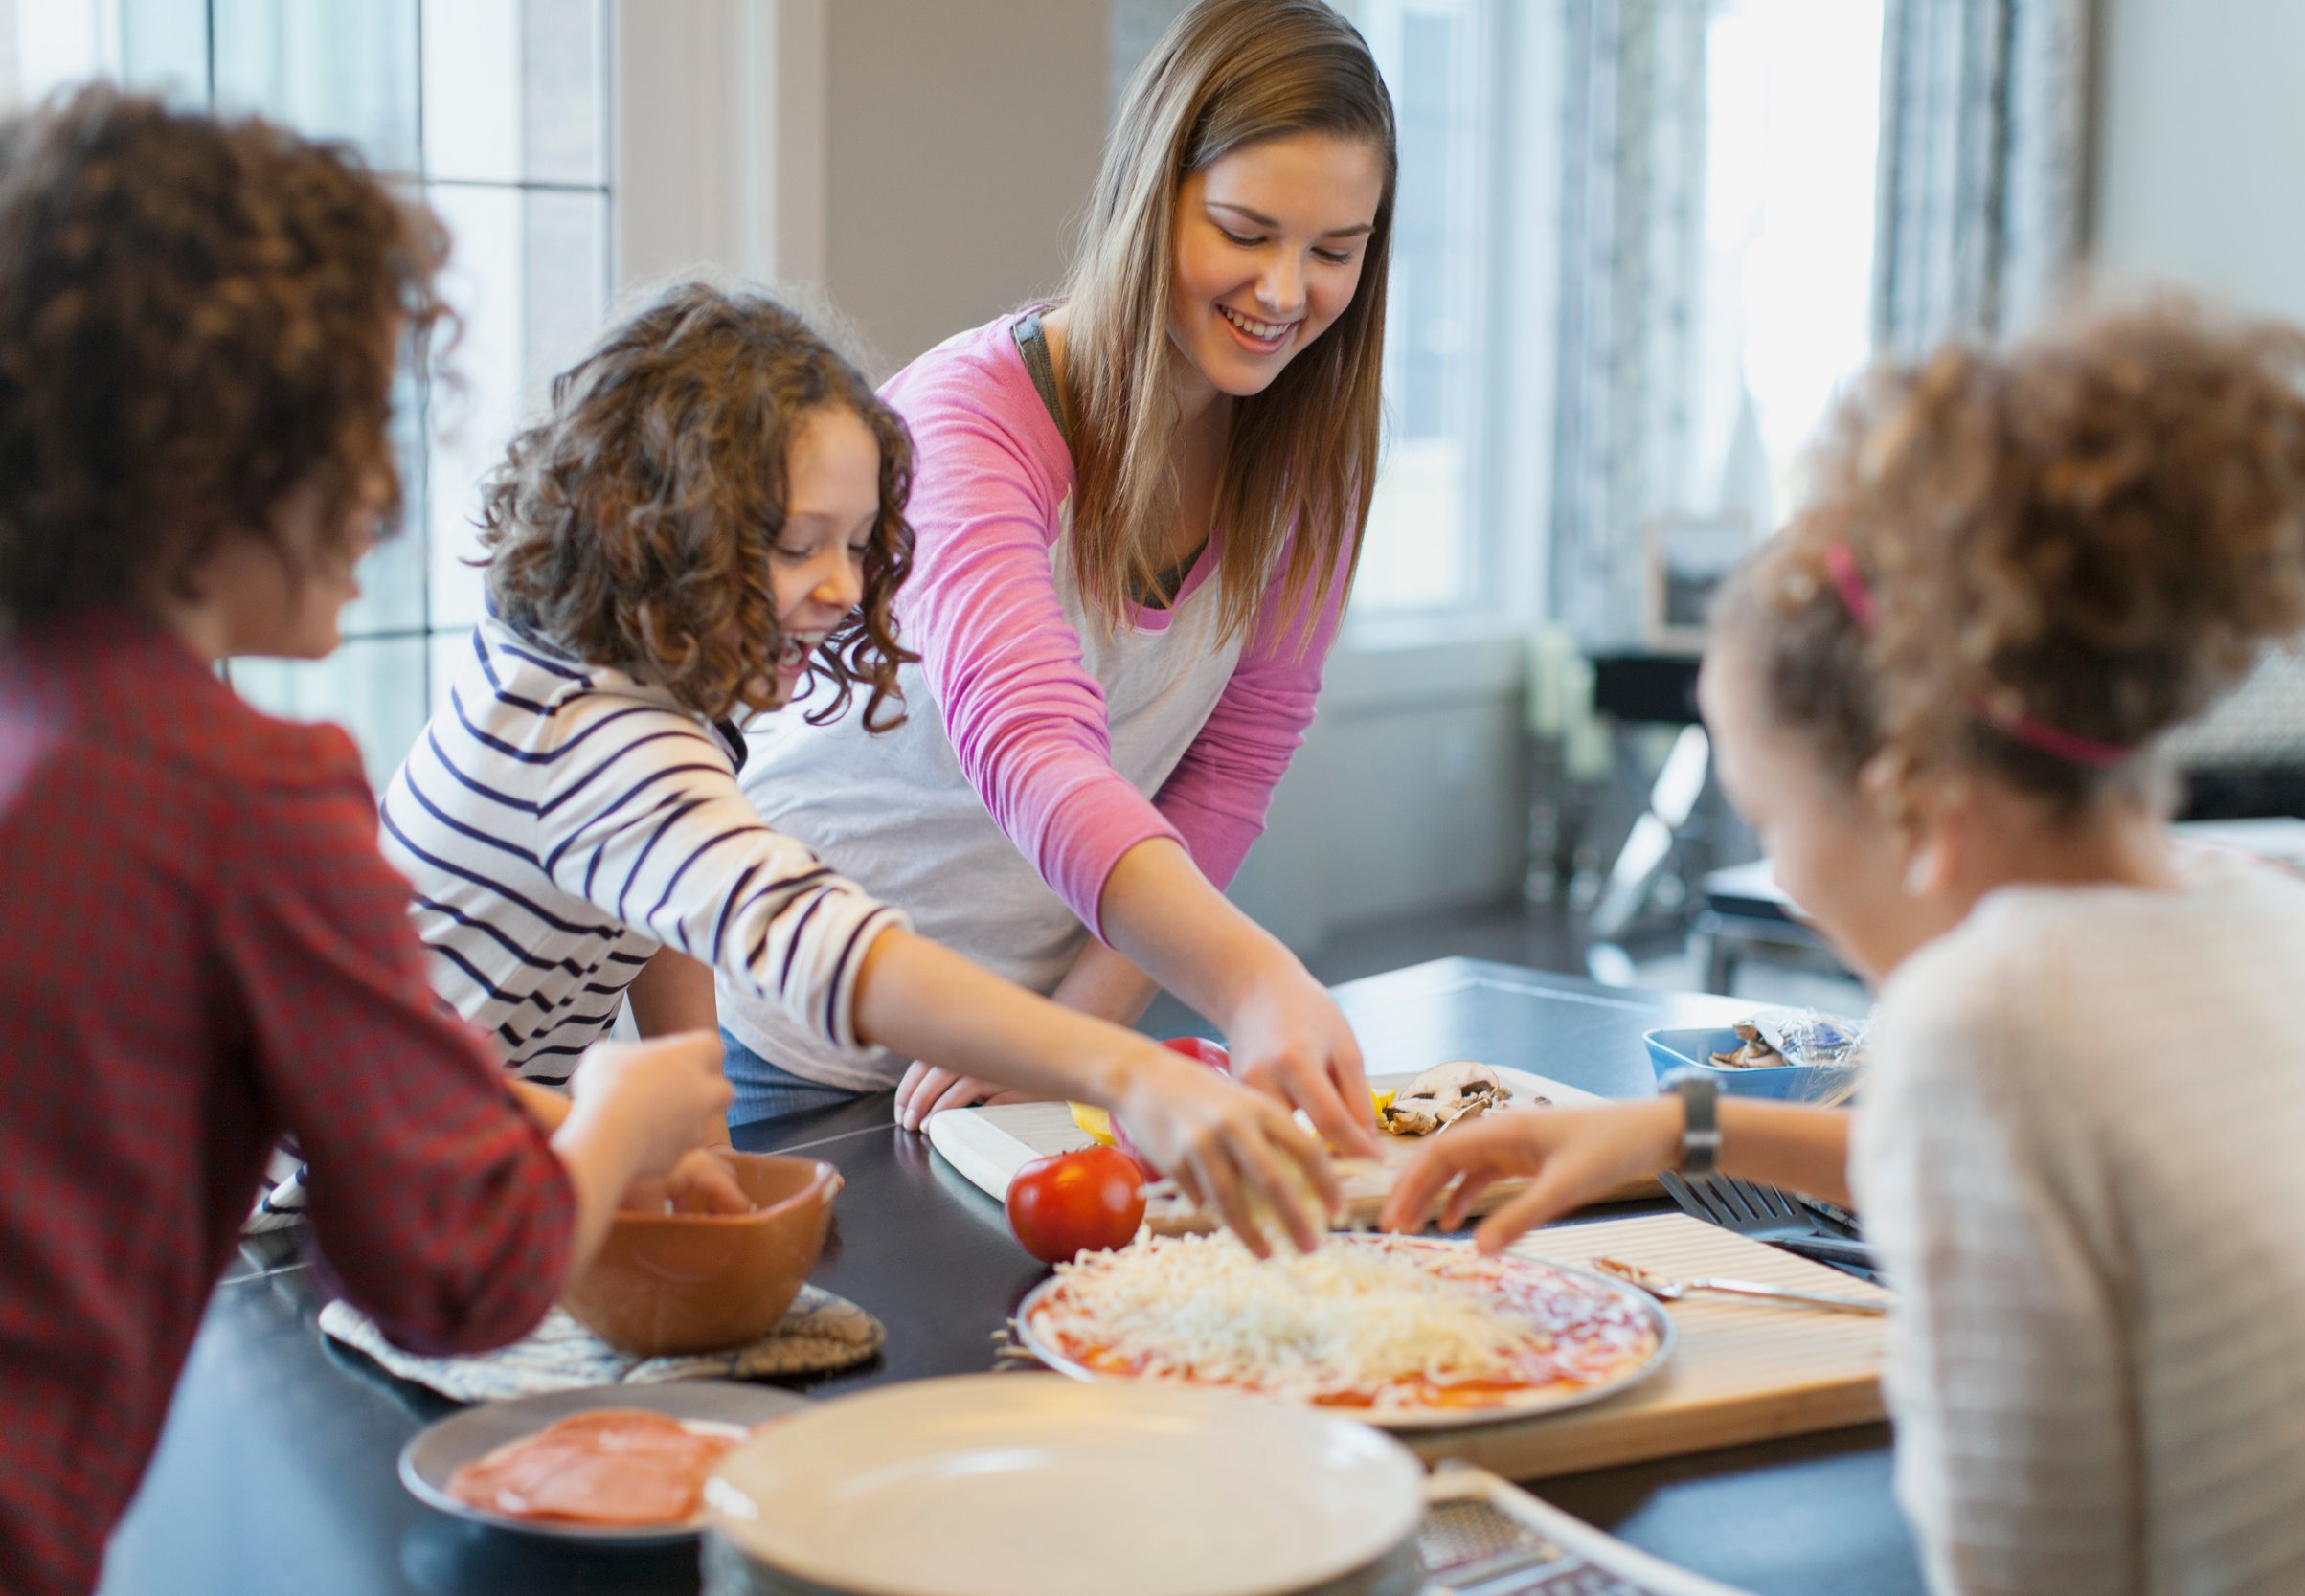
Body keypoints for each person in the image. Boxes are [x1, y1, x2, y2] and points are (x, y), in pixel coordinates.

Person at [1387, 301, 2305, 1595]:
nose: (1786, 876)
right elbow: (2045, 1163)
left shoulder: (1989, 1016)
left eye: (1770, 815)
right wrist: (1671, 1131)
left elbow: (2026, 1561)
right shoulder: (2298, 923)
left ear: (1903, 786)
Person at [0, 89, 732, 1596]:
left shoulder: (41, 716)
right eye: (355, 427)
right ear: (212, 448)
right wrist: (619, 1114)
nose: (389, 497)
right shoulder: (245, 792)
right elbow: (457, 1269)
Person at [381, 279, 1340, 1256]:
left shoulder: (588, 664)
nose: (844, 587)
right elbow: (824, 944)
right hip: (358, 1209)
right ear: (658, 523)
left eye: (856, 542)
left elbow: (662, 911)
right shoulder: (595, 737)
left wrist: (705, 1144)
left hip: (460, 1156)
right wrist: (1129, 1072)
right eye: (800, 545)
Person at [721, 0, 1395, 1152]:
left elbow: (1229, 768)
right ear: (1152, 194)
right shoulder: (966, 420)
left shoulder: (1305, 463)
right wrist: (1249, 982)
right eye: (1244, 230)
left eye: (1333, 252)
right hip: (802, 1019)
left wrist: (1062, 1032)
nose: (1285, 292)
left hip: (1029, 1033)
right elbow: (1030, 744)